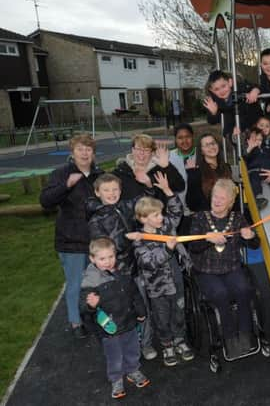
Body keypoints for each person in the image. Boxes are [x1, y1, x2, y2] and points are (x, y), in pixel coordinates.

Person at [40, 134, 104, 338]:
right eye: (80, 149)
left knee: (98, 282)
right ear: (72, 152)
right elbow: (45, 201)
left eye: (88, 149)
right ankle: (76, 323)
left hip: (96, 240)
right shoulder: (61, 174)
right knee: (75, 284)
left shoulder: (99, 175)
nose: (85, 153)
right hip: (71, 241)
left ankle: (96, 316)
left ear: (93, 153)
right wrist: (66, 185)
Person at [188, 179, 260, 354]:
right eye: (215, 196)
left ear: (230, 202)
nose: (217, 200)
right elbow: (193, 248)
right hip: (206, 271)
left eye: (222, 198)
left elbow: (255, 245)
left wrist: (250, 236)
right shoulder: (199, 218)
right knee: (221, 294)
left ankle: (244, 333)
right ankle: (228, 336)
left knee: (244, 289)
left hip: (231, 268)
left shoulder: (238, 219)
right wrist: (206, 239)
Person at [131, 172, 195, 367]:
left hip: (175, 279)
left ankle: (180, 340)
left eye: (160, 213)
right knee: (161, 316)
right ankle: (167, 344)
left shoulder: (165, 225)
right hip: (157, 287)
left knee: (179, 310)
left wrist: (167, 191)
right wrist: (167, 249)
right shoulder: (139, 239)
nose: (161, 217)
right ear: (143, 219)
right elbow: (148, 263)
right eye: (156, 215)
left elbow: (176, 213)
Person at [80, 237, 150, 399]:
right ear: (92, 259)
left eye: (111, 257)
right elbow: (83, 308)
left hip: (128, 321)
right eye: (102, 258)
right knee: (114, 356)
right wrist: (91, 305)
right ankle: (116, 379)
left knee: (132, 349)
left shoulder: (122, 272)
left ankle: (133, 370)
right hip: (108, 328)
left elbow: (134, 294)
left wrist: (140, 311)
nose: (107, 262)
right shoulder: (89, 280)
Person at [87, 173, 143, 276]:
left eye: (115, 189)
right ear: (97, 192)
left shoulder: (124, 206)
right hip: (117, 270)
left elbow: (143, 202)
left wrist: (148, 186)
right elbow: (103, 248)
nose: (111, 193)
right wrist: (127, 238)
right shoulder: (96, 220)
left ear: (120, 191)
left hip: (137, 263)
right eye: (106, 190)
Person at [113, 134, 185, 203]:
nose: (142, 153)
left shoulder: (160, 170)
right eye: (138, 149)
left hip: (157, 214)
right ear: (133, 150)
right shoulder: (121, 171)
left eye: (146, 150)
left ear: (152, 153)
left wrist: (167, 167)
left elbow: (180, 187)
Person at [203, 70, 263, 140]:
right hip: (234, 128)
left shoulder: (239, 88)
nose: (221, 91)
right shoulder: (214, 100)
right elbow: (211, 121)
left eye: (223, 86)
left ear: (230, 82)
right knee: (228, 117)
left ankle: (245, 134)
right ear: (212, 90)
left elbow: (255, 86)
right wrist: (213, 112)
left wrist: (255, 90)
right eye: (216, 89)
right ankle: (234, 137)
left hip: (253, 121)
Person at [185, 132, 233, 213]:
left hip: (227, 214)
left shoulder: (226, 167)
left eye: (213, 143)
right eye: (207, 145)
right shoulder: (196, 171)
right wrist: (192, 174)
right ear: (201, 151)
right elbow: (192, 203)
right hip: (207, 217)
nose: (211, 147)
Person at [169, 123, 197, 210]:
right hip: (176, 209)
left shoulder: (201, 154)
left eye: (187, 136)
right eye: (180, 138)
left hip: (199, 208)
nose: (184, 141)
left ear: (192, 137)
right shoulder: (168, 157)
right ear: (175, 140)